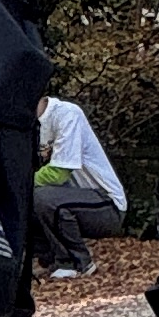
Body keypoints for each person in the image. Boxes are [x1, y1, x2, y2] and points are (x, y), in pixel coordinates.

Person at [30, 91, 128, 275]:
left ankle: (76, 263)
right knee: (22, 199)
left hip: (106, 205)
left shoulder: (67, 114)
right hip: (66, 199)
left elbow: (58, 174)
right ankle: (46, 259)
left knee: (39, 196)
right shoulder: (26, 125)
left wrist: (20, 182)